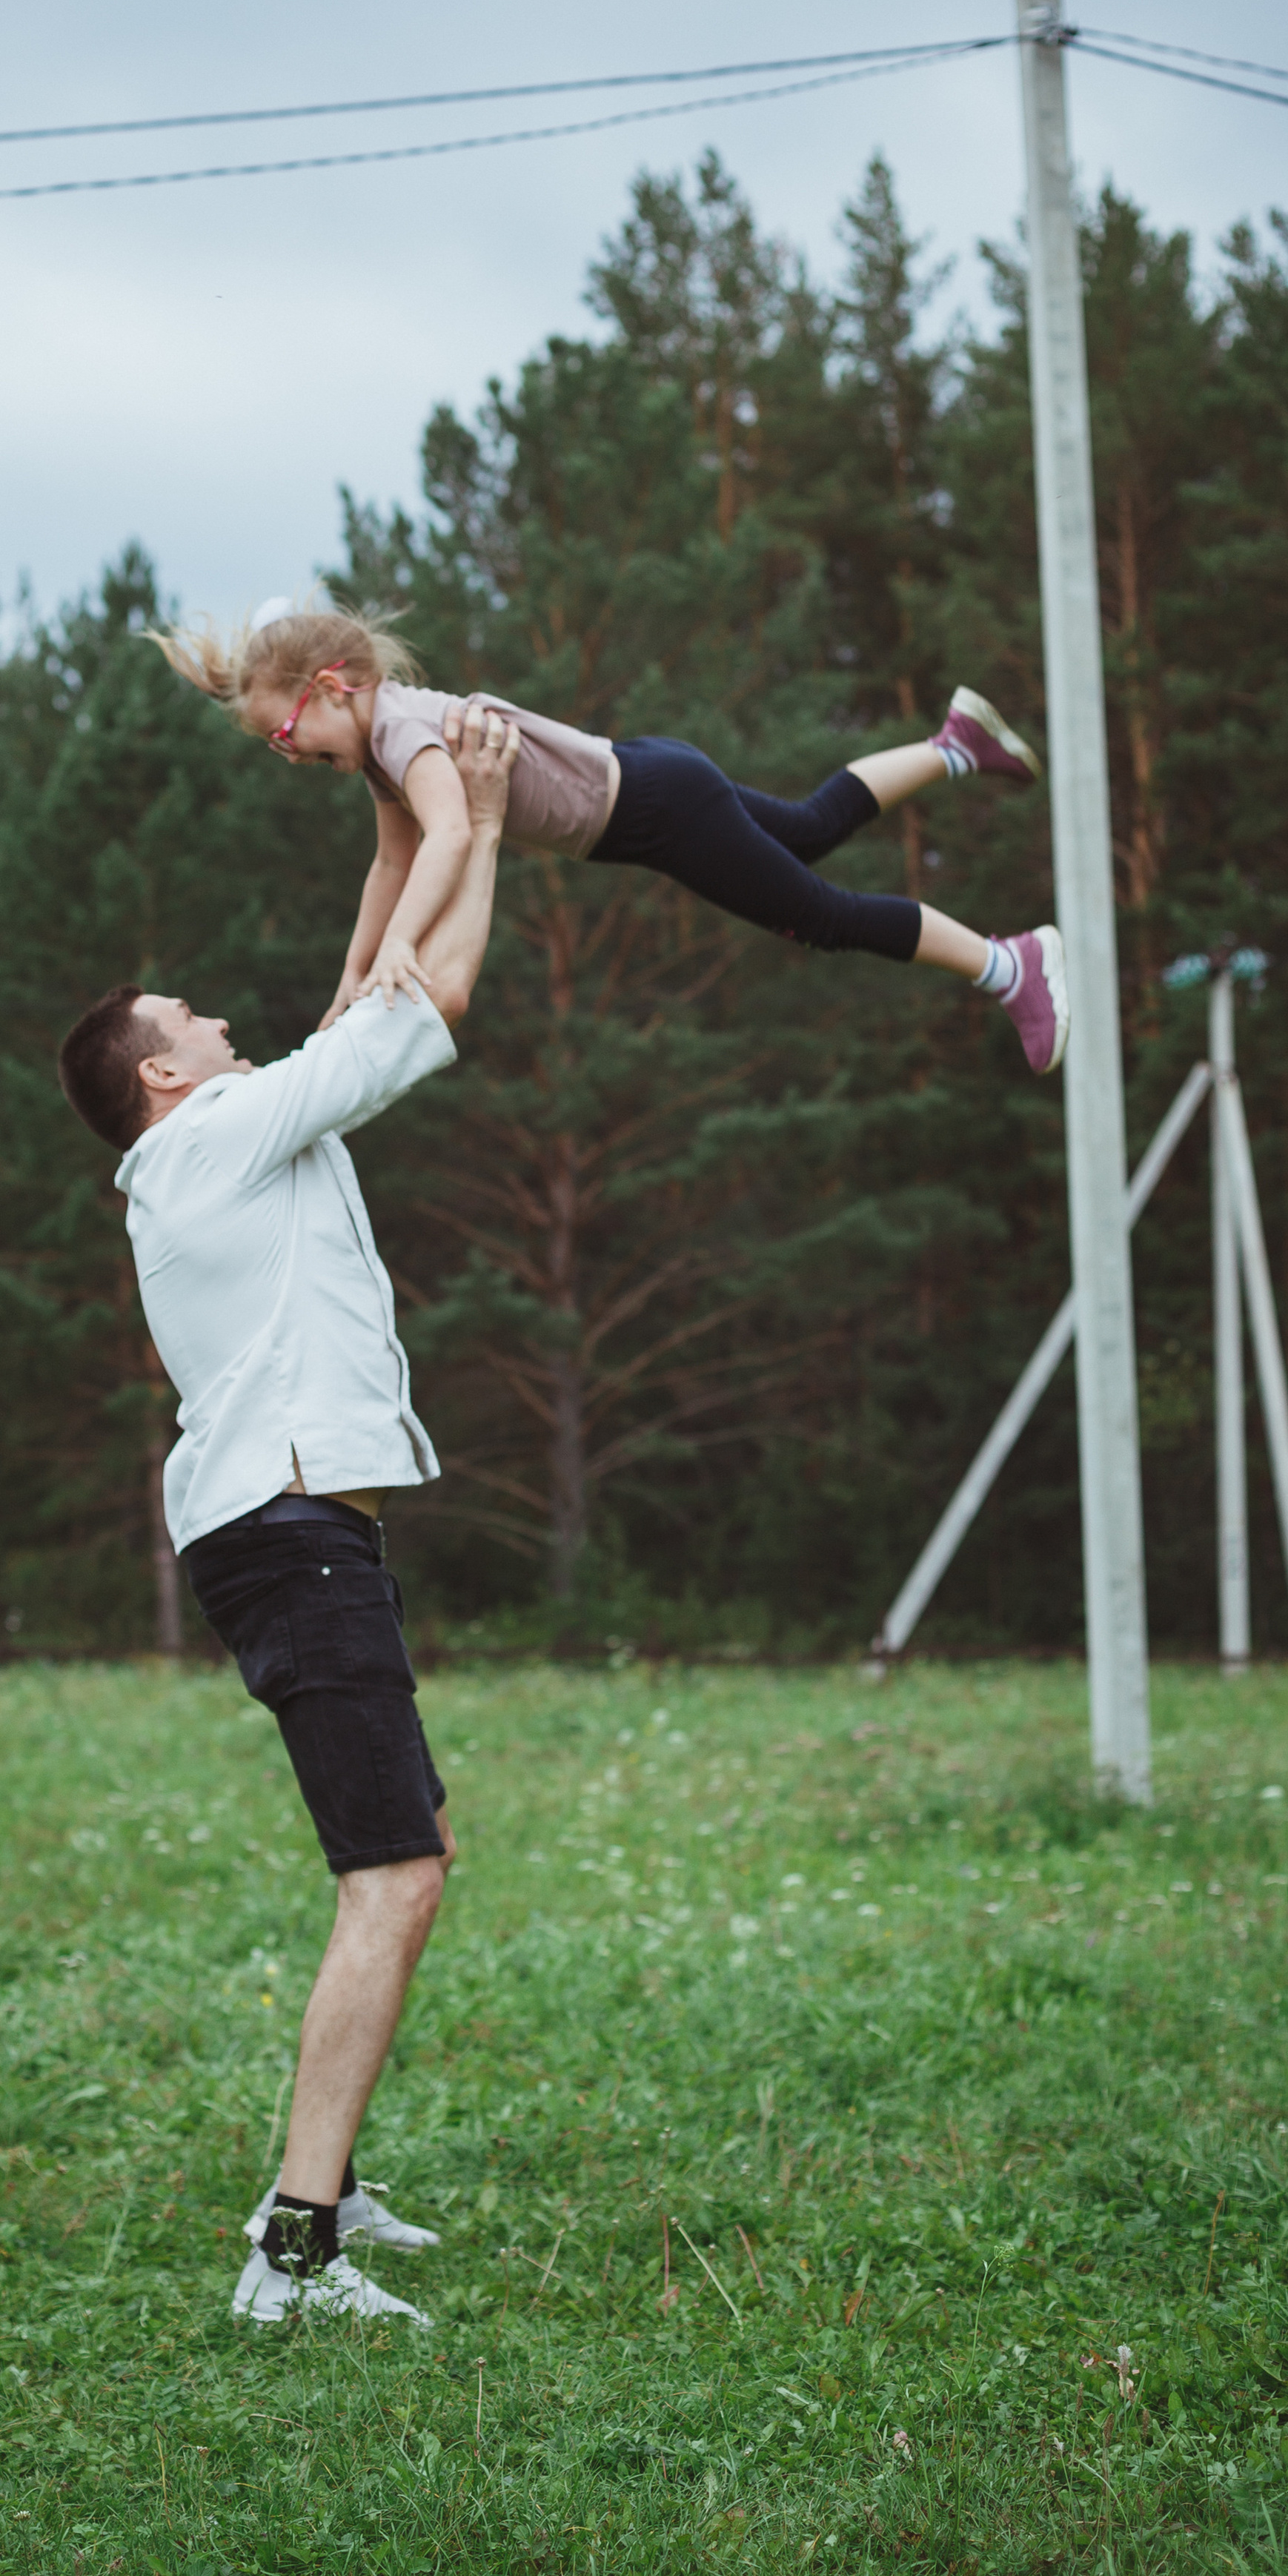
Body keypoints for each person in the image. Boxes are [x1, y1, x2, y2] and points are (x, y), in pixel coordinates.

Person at [55, 704, 519, 2328]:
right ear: (162, 1076)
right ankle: (293, 2251)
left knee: (412, 1860)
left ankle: (320, 2180)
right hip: (290, 1529)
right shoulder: (207, 1151)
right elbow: (428, 993)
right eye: (196, 1017)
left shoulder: (232, 1143)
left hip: (300, 1528)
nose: (229, 1018)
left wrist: (399, 814)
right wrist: (472, 805)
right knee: (391, 1876)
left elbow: (362, 987)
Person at [152, 597, 1069, 1075]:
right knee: (810, 828)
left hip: (656, 808)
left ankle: (1010, 964)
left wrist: (399, 951)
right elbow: (391, 861)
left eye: (284, 734)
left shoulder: (400, 729)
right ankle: (958, 745)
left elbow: (451, 841)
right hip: (652, 784)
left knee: (818, 915)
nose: (287, 755)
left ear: (333, 686)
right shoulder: (387, 751)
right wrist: (355, 977)